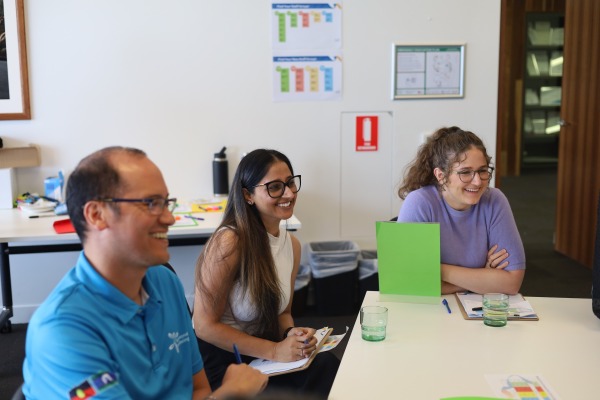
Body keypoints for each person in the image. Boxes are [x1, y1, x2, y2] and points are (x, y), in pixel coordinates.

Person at [22, 147, 267, 399]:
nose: (170, 218)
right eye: (151, 203)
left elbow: (197, 389)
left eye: (166, 202)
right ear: (97, 215)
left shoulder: (165, 282)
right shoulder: (62, 330)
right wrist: (231, 394)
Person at [193, 149, 339, 399]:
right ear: (248, 195)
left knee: (328, 367)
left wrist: (290, 335)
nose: (289, 193)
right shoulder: (230, 241)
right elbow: (204, 326)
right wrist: (274, 351)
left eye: (291, 183)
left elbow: (283, 312)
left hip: (264, 353)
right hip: (225, 361)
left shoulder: (291, 245)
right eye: (275, 187)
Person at [397, 126, 526, 295]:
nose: (478, 182)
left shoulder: (494, 200)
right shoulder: (419, 203)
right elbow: (405, 283)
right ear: (441, 175)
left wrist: (438, 270)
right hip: (428, 309)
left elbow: (511, 283)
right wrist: (482, 278)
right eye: (465, 172)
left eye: (482, 171)